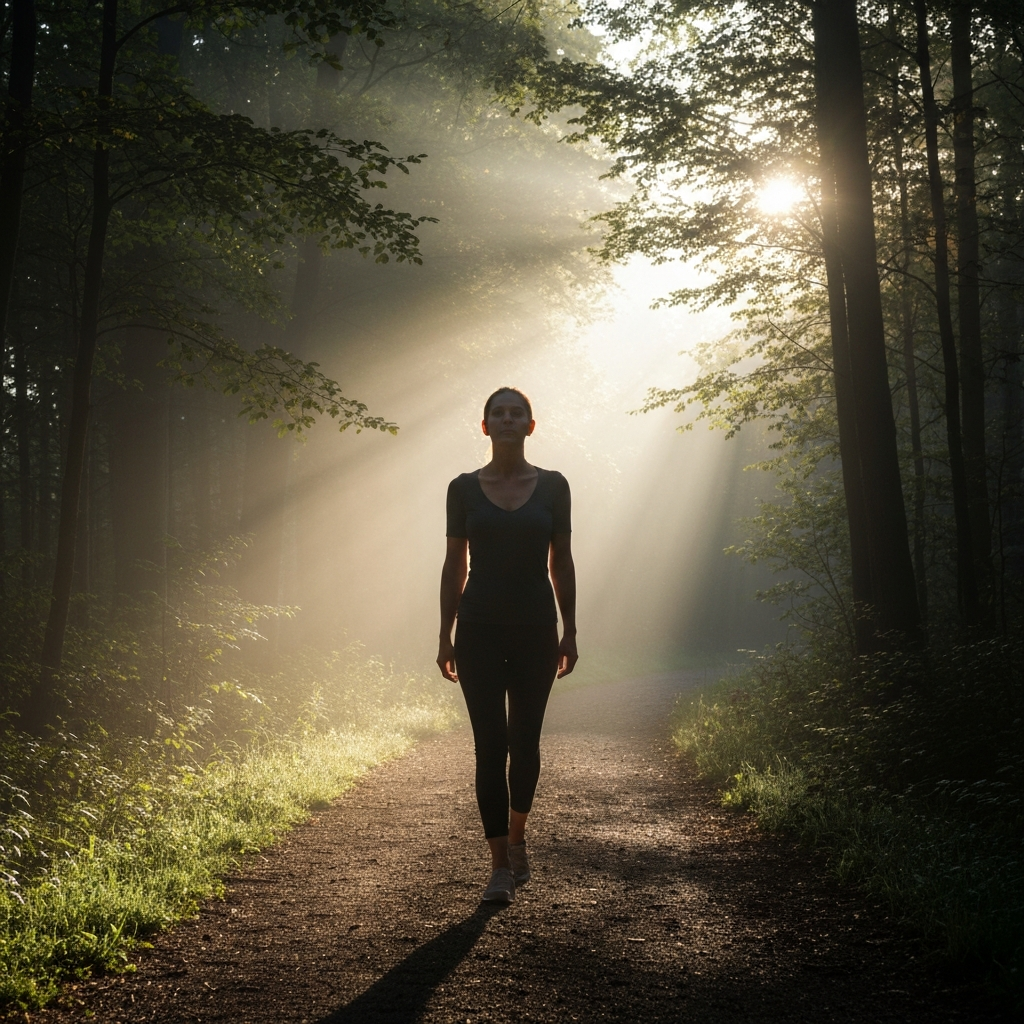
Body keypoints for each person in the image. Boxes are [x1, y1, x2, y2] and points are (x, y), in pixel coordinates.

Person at [437, 387, 578, 904]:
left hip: (537, 631)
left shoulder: (554, 487)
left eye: (516, 413)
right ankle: (498, 866)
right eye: (498, 413)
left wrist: (571, 629)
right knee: (489, 746)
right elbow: (456, 566)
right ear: (485, 426)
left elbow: (560, 561)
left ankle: (517, 837)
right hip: (476, 631)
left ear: (530, 426)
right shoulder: (463, 489)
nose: (507, 419)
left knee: (525, 743)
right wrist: (445, 634)